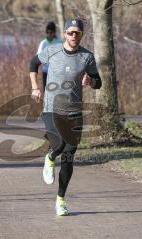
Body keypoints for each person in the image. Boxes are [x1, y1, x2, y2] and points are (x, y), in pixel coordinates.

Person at [30, 19, 102, 216]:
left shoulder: (87, 57)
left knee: (69, 156)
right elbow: (33, 62)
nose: (73, 36)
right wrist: (35, 87)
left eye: (77, 33)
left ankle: (60, 200)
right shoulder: (51, 51)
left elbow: (99, 83)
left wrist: (91, 80)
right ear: (64, 34)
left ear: (81, 34)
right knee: (60, 145)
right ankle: (51, 156)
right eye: (70, 32)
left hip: (75, 112)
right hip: (51, 108)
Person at [36, 21, 62, 91]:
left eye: (51, 32)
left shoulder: (59, 42)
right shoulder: (43, 43)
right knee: (47, 91)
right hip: (46, 72)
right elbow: (38, 57)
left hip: (56, 72)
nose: (49, 34)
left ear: (54, 33)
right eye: (47, 32)